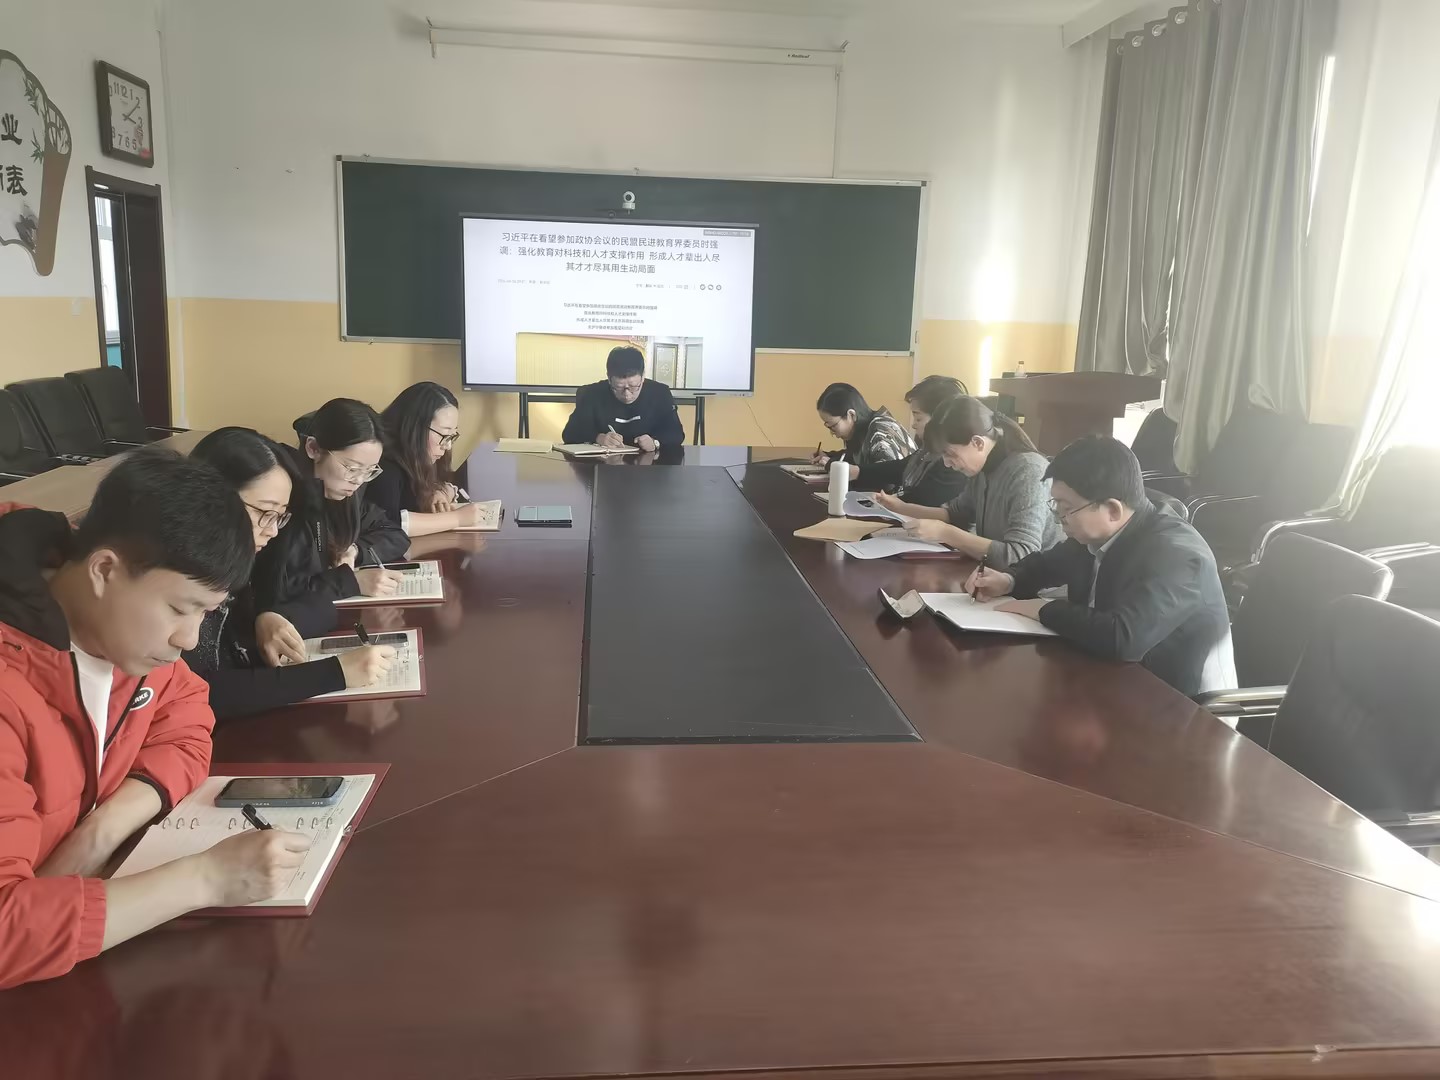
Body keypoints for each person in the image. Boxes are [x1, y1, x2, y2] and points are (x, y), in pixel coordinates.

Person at [0, 449, 311, 989]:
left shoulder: (119, 635)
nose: (189, 639)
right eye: (180, 609)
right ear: (104, 570)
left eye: (206, 613)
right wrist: (206, 879)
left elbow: (189, 720)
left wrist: (102, 829)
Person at [967, 435, 1236, 697]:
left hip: (1182, 702)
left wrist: (1042, 609)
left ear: (1113, 510)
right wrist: (1008, 580)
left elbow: (1123, 638)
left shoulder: (1178, 555)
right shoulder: (1096, 534)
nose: (1059, 518)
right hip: (1113, 677)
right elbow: (1047, 564)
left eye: (1066, 508)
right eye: (1056, 505)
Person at [185, 428, 396, 720]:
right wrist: (336, 673)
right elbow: (197, 692)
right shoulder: (179, 573)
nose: (273, 531)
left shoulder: (242, 559)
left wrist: (267, 616)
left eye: (279, 516)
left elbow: (318, 609)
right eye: (265, 513)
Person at [254, 398, 409, 614]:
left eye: (369, 470)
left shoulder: (345, 495)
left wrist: (354, 551)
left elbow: (394, 533)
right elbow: (277, 594)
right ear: (313, 449)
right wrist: (353, 582)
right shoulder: (285, 504)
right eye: (352, 468)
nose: (358, 480)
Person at [879, 395, 1061, 568]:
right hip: (994, 577)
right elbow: (956, 514)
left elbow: (1020, 556)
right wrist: (900, 507)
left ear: (978, 443)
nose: (947, 463)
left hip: (1035, 587)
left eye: (950, 454)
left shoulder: (1028, 471)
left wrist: (945, 533)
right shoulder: (982, 468)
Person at [368, 382, 494, 538]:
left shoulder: (418, 455)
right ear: (416, 428)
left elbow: (440, 483)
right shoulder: (382, 465)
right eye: (444, 435)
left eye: (452, 436)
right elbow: (388, 524)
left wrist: (440, 492)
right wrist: (457, 518)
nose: (447, 445)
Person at [845, 375, 968, 507]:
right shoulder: (927, 450)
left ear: (941, 419)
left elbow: (925, 498)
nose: (913, 425)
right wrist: (858, 471)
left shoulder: (952, 463)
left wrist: (887, 501)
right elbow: (902, 467)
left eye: (918, 418)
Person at [561, 346, 684, 450]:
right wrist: (598, 438)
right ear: (609, 379)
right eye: (619, 387)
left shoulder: (660, 393)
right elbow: (570, 433)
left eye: (633, 386)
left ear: (643, 377)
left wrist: (655, 442)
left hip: (648, 467)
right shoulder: (592, 394)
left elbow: (676, 433)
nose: (627, 394)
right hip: (604, 466)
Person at [811, 383, 915, 468]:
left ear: (851, 415)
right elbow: (857, 458)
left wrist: (834, 466)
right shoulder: (864, 430)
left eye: (833, 426)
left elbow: (882, 479)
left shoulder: (881, 435)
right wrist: (829, 457)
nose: (832, 433)